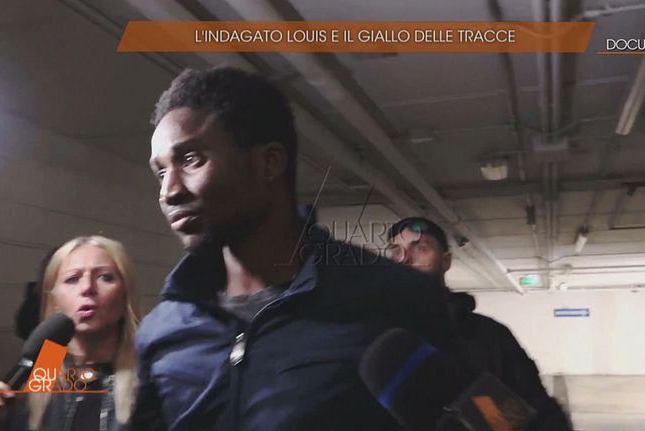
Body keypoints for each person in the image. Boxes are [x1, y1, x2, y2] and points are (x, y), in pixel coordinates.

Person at [132, 66, 453, 431]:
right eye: (161, 172)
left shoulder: (396, 298)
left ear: (269, 162)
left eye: (191, 160)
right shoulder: (160, 329)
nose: (169, 191)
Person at [386, 217, 573, 431]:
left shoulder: (489, 337)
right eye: (396, 251)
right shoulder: (374, 338)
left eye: (420, 248)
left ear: (446, 261)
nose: (405, 259)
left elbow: (540, 417)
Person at [0, 236, 141, 431]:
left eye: (105, 277)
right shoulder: (42, 370)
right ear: (54, 300)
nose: (87, 288)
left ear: (126, 294)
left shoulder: (150, 375)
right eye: (72, 279)